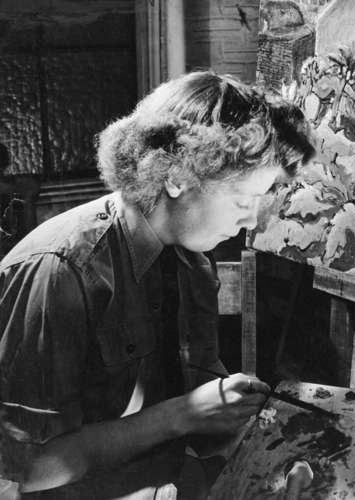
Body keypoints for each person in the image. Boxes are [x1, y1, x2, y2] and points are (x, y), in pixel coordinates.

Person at [0, 71, 315, 498]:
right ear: (177, 177)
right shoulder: (62, 272)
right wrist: (183, 415)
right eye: (243, 200)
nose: (250, 221)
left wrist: (233, 414)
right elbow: (28, 469)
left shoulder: (191, 259)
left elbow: (196, 397)